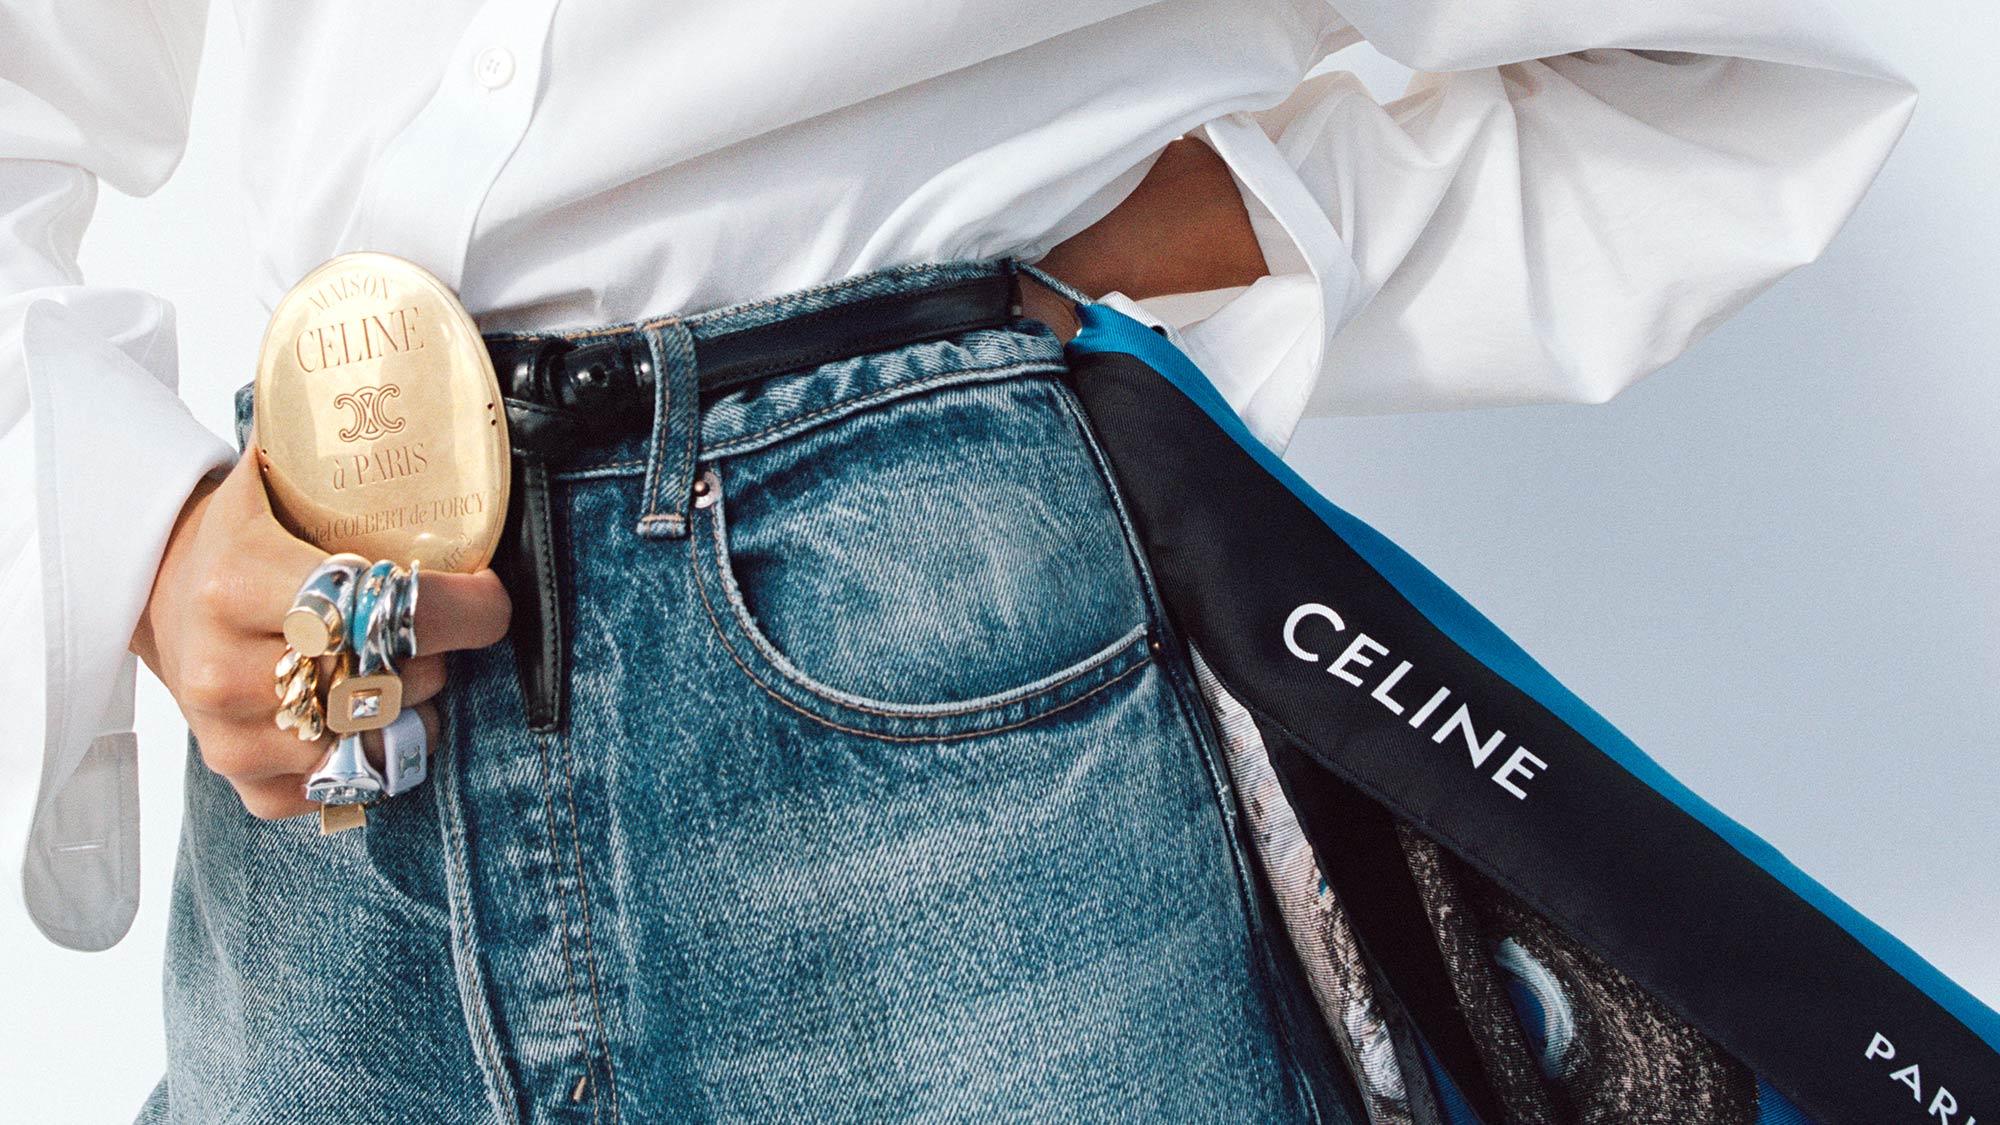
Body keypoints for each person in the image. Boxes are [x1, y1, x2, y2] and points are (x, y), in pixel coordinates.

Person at [1, 0, 1916, 1120]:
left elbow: (1755, 84)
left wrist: (1224, 226)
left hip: (928, 658)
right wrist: (148, 538)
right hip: (326, 726)